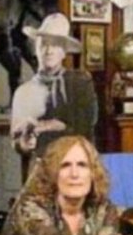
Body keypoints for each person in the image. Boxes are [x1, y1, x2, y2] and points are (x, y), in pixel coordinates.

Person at [9, 13, 97, 157]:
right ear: (35, 49)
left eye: (55, 45)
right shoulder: (23, 92)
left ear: (64, 52)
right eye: (43, 44)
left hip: (76, 164)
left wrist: (47, 126)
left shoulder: (80, 84)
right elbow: (16, 142)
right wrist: (25, 141)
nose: (49, 51)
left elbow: (85, 128)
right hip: (42, 167)